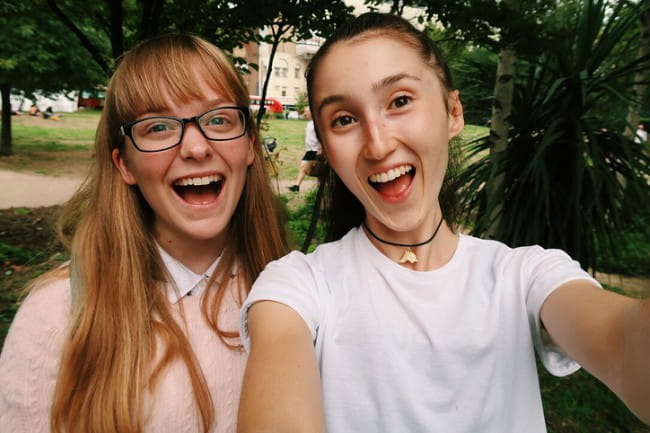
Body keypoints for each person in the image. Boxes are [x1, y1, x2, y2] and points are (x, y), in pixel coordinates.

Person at [238, 12, 650, 433]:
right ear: (325, 147)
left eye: (399, 101)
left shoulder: (525, 276)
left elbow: (625, 346)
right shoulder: (296, 287)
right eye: (344, 119)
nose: (378, 146)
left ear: (453, 111)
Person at [0, 34, 288, 433]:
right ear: (124, 165)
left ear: (250, 145)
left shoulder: (296, 293)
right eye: (157, 127)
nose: (196, 147)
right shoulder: (58, 314)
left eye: (219, 119)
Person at [288, 106, 322, 192]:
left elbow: (321, 137)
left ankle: (320, 187)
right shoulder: (309, 123)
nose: (304, 113)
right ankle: (296, 186)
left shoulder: (317, 123)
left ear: (312, 112)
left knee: (314, 170)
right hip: (309, 151)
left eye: (306, 111)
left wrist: (320, 149)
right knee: (302, 168)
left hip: (315, 151)